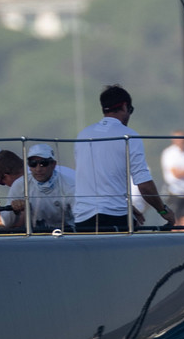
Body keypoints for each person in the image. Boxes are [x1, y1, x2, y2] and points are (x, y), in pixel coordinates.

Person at [73, 84, 173, 232]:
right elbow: (144, 186)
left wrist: (127, 206)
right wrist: (164, 211)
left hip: (82, 219)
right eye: (130, 110)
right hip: (114, 218)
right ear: (125, 107)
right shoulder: (129, 136)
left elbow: (95, 180)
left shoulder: (82, 135)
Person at [2, 144, 76, 233]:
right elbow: (6, 223)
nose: (38, 169)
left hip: (67, 235)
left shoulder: (69, 185)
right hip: (35, 237)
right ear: (28, 166)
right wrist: (14, 211)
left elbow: (80, 218)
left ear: (53, 164)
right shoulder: (20, 185)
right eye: (33, 163)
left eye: (43, 163)